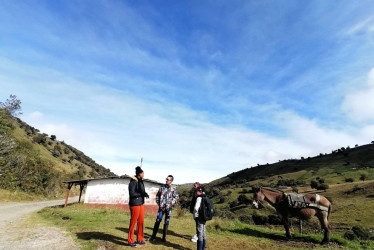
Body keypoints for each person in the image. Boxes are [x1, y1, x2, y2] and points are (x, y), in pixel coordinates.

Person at [148, 175, 179, 242]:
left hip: (168, 209)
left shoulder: (174, 188)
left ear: (171, 181)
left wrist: (171, 204)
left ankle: (163, 237)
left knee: (166, 222)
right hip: (161, 208)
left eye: (168, 179)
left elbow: (176, 197)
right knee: (158, 221)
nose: (166, 180)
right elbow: (158, 196)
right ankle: (153, 236)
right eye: (166, 179)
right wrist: (159, 204)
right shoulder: (162, 187)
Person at [128, 166, 149, 248]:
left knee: (141, 221)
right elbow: (132, 194)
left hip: (141, 203)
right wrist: (142, 194)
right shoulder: (133, 182)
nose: (143, 174)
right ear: (139, 174)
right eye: (143, 173)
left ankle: (140, 239)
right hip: (134, 204)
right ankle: (130, 240)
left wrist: (145, 193)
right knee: (133, 222)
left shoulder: (140, 181)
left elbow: (141, 191)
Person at [193, 186, 207, 250]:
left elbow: (196, 208)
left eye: (197, 191)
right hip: (204, 217)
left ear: (200, 192)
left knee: (199, 234)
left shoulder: (199, 198)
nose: (196, 192)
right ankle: (203, 248)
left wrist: (195, 216)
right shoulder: (205, 197)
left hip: (199, 217)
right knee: (203, 233)